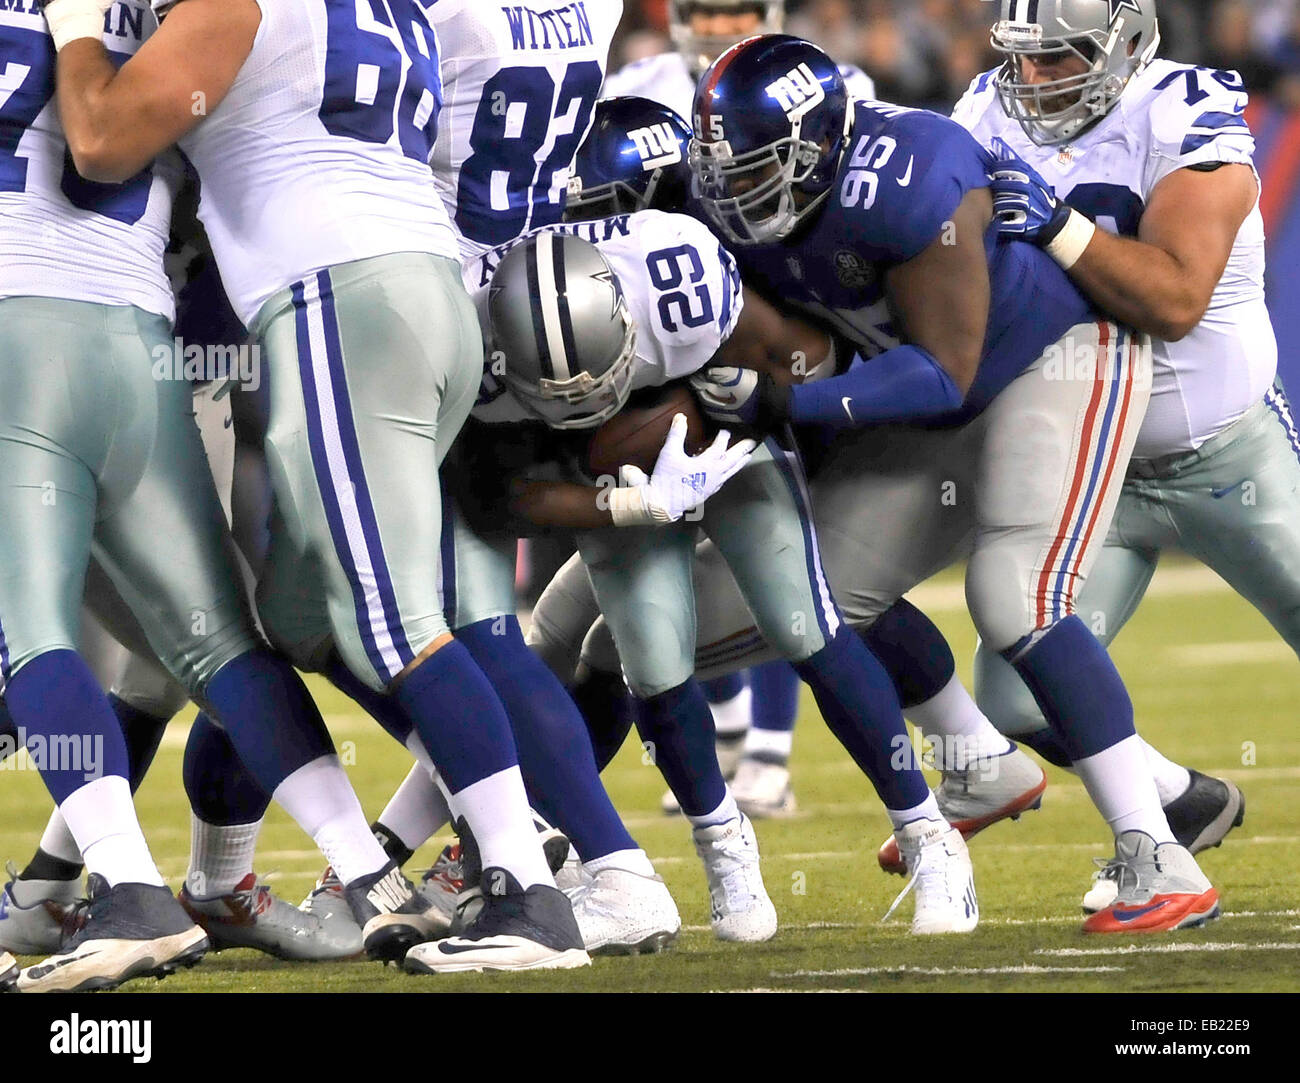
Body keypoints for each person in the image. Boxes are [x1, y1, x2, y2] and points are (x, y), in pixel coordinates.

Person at [44, 0, 590, 974]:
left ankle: (525, 885)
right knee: (302, 621)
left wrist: (79, 28)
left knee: (389, 618)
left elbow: (107, 141)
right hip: (422, 289)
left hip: (340, 299)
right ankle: (376, 859)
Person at [953, 0, 1273, 914]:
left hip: (1227, 455)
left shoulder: (1184, 113)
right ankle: (1179, 797)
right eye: (1028, 59)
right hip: (1088, 469)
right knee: (1014, 706)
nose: (1039, 79)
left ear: (1128, 44)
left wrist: (1055, 225)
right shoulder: (980, 112)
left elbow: (1173, 299)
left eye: (1064, 59)